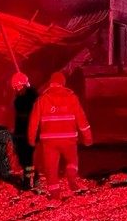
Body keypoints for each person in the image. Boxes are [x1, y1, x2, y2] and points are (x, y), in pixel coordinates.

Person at [28, 72, 92, 201]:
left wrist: (31, 138)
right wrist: (87, 136)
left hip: (48, 141)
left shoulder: (42, 99)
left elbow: (33, 121)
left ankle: (55, 195)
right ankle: (71, 175)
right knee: (72, 160)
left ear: (51, 84)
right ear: (63, 83)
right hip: (68, 139)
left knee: (50, 168)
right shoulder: (71, 98)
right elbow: (81, 119)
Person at [11, 72, 39, 190]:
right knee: (27, 158)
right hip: (24, 132)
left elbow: (23, 114)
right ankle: (33, 178)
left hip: (26, 132)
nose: (16, 89)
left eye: (17, 87)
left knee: (27, 158)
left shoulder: (23, 100)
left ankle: (28, 182)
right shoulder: (33, 97)